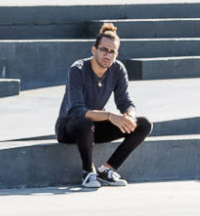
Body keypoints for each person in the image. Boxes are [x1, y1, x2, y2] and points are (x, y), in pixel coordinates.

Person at [55, 24, 152, 190]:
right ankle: (88, 172)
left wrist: (129, 116)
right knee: (85, 123)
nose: (108, 55)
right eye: (104, 50)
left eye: (112, 52)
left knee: (143, 124)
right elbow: (76, 110)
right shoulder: (78, 69)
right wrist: (109, 116)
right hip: (69, 127)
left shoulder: (118, 69)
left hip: (94, 127)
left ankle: (107, 170)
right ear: (94, 50)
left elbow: (125, 101)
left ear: (116, 54)